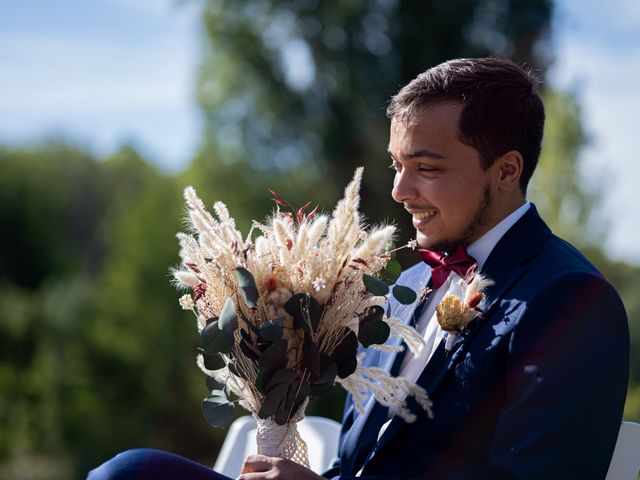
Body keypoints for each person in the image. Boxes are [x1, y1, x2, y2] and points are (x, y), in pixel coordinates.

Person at [88, 57, 630, 480]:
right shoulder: (407, 285)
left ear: (507, 170)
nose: (399, 191)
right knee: (131, 472)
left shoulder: (570, 300)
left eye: (426, 168)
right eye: (398, 165)